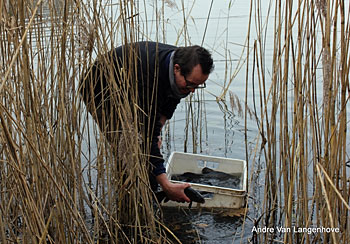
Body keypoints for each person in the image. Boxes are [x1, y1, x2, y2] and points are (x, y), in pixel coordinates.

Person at [80, 41, 214, 203]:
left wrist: (158, 132)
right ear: (176, 68)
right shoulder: (149, 77)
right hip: (100, 91)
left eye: (198, 86)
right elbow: (146, 130)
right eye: (191, 84)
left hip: (132, 90)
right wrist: (166, 184)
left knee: (148, 143)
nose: (192, 91)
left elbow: (170, 100)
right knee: (129, 146)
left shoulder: (179, 68)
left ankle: (146, 188)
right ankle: (131, 198)